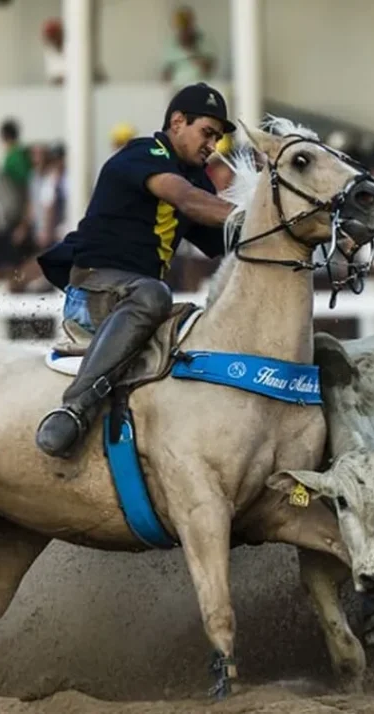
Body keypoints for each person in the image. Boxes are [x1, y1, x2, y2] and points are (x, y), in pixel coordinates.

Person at [33, 82, 238, 459]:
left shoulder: (195, 177)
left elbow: (227, 239)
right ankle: (73, 410)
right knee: (155, 294)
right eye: (207, 133)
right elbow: (189, 201)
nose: (213, 145)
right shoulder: (143, 153)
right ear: (177, 122)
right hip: (95, 291)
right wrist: (259, 216)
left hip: (132, 297)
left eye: (218, 138)